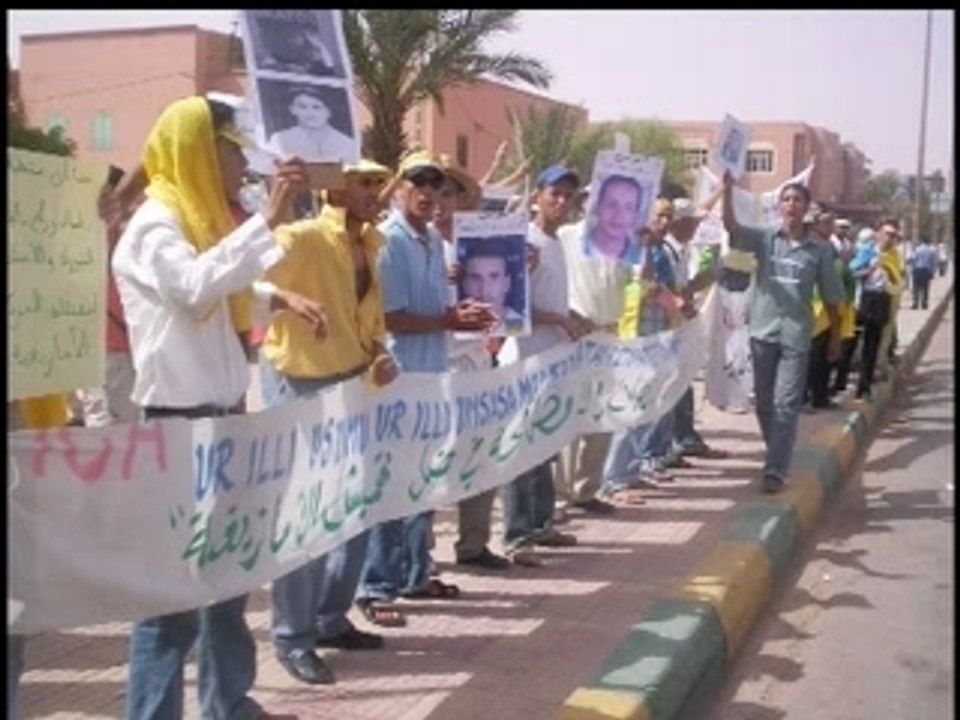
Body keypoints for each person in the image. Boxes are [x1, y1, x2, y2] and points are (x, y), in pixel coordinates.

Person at [111, 95, 310, 720]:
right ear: (198, 149)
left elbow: (223, 297)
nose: (239, 168)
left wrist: (277, 298)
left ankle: (229, 703)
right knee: (169, 604)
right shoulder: (153, 225)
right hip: (178, 431)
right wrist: (267, 220)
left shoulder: (197, 221)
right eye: (230, 153)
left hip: (223, 420)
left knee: (227, 582)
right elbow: (194, 286)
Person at [257, 159, 402, 685]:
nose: (374, 191)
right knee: (307, 517)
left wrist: (379, 352)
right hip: (302, 387)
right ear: (332, 188)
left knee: (355, 510)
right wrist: (273, 206)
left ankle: (329, 618)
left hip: (355, 385)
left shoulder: (371, 245)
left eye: (376, 182)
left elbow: (368, 321)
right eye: (362, 181)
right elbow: (253, 270)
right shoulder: (303, 237)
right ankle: (293, 638)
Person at [355, 150, 496, 623]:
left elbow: (439, 311)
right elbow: (391, 317)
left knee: (422, 480)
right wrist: (448, 319)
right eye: (418, 181)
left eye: (437, 184)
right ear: (398, 188)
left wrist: (462, 314)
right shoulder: (390, 242)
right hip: (399, 378)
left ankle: (414, 572)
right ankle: (376, 587)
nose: (429, 191)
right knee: (390, 482)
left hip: (431, 377)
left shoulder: (434, 241)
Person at [721, 171, 843, 494]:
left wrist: (834, 337)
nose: (791, 205)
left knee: (786, 403)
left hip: (796, 336)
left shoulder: (819, 251)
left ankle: (776, 468)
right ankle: (777, 448)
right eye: (786, 199)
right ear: (780, 207)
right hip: (763, 332)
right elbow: (731, 228)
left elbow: (832, 297)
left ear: (806, 208)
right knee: (764, 404)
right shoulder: (764, 238)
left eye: (797, 200)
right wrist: (727, 190)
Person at [501, 165, 590, 564]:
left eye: (568, 195)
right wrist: (558, 320)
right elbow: (509, 306)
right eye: (554, 193)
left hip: (552, 359)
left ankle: (541, 523)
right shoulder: (524, 243)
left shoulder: (556, 244)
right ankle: (518, 535)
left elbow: (552, 301)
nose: (561, 201)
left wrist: (572, 316)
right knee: (522, 449)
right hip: (523, 359)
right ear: (537, 195)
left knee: (546, 444)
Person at [432, 153, 511, 571]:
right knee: (430, 461)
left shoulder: (483, 245)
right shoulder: (417, 244)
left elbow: (508, 301)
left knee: (482, 455)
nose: (444, 200)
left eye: (452, 192)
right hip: (436, 366)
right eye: (437, 191)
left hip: (479, 363)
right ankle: (418, 555)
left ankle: (474, 543)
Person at [849, 219, 902, 400]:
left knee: (874, 344)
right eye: (887, 234)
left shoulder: (895, 255)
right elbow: (852, 271)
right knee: (854, 342)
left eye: (893, 235)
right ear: (878, 234)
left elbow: (899, 278)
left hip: (884, 299)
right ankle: (844, 381)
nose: (890, 238)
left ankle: (865, 385)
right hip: (866, 298)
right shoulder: (868, 251)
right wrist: (869, 270)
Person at [267, 84, 355, 164]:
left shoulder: (347, 143)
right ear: (292, 109)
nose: (310, 113)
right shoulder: (280, 140)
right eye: (302, 107)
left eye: (317, 107)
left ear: (329, 111)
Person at [459, 240, 526, 335]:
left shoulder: (523, 326)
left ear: (507, 283)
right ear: (464, 284)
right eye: (475, 278)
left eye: (494, 277)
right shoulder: (454, 333)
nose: (485, 290)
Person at [583, 173, 645, 263]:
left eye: (628, 208)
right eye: (612, 204)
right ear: (597, 207)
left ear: (635, 216)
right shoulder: (572, 242)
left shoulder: (641, 258)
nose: (619, 215)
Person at [910, 237, 938, 309]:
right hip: (926, 270)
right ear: (929, 242)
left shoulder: (917, 249)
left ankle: (915, 303)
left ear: (922, 241)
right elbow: (933, 263)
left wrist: (912, 269)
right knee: (925, 288)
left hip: (917, 269)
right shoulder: (931, 251)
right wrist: (932, 272)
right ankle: (924, 304)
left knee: (916, 287)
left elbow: (914, 259)